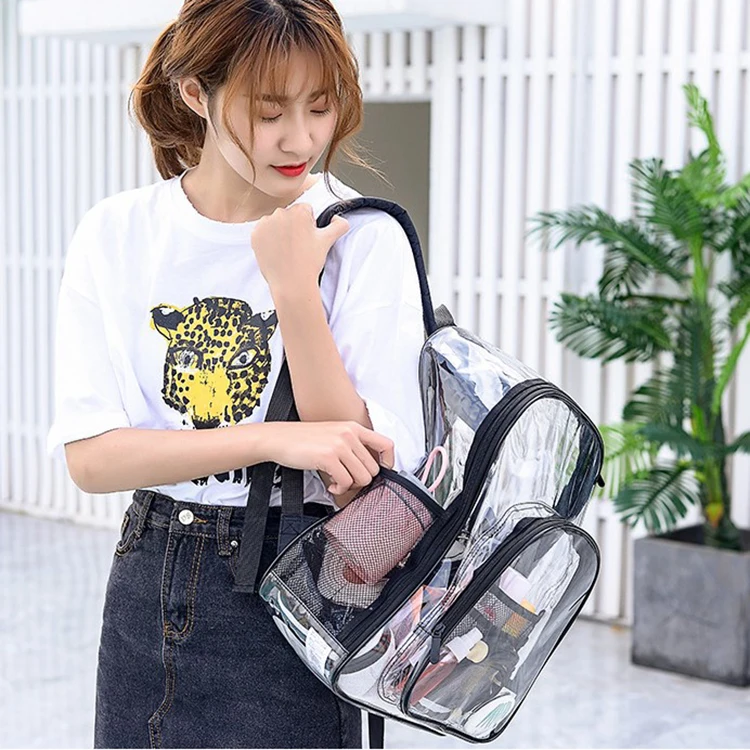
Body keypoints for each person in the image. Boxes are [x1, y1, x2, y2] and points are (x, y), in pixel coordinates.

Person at [45, 0, 426, 746]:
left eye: (320, 107)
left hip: (296, 583)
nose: (301, 138)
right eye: (269, 111)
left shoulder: (363, 235)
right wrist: (272, 439)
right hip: (147, 579)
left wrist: (293, 289)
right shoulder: (118, 233)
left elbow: (362, 472)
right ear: (197, 93)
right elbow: (92, 459)